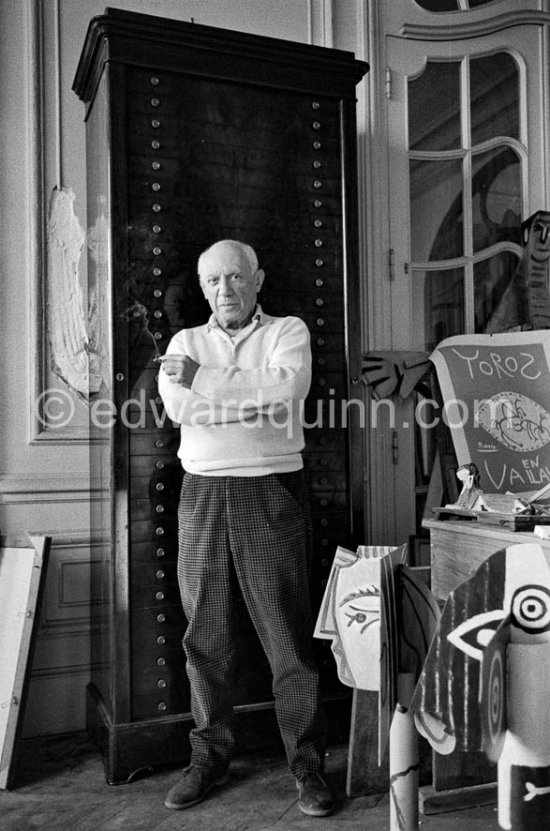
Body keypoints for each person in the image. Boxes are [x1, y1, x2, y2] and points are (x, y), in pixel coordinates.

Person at [157, 239, 334, 817]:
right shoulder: (185, 342)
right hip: (202, 491)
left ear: (257, 279)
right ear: (203, 287)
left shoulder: (288, 331)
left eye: (235, 278)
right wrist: (249, 398)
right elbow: (181, 409)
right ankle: (207, 759)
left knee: (286, 635)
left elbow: (288, 391)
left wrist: (206, 383)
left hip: (269, 490)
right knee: (203, 635)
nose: (224, 291)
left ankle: (308, 768)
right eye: (213, 281)